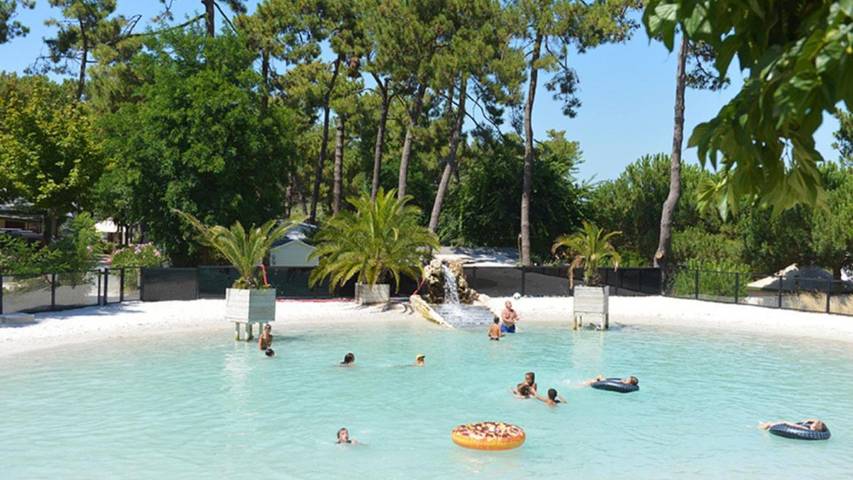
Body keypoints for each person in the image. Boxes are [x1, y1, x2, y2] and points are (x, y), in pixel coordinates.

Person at [759, 419, 827, 432]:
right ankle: (762, 425)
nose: (812, 424)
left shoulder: (807, 429)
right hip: (786, 427)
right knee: (769, 423)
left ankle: (761, 426)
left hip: (786, 427)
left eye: (813, 424)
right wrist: (807, 421)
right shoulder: (810, 428)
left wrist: (785, 422)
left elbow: (796, 426)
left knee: (769, 424)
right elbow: (817, 420)